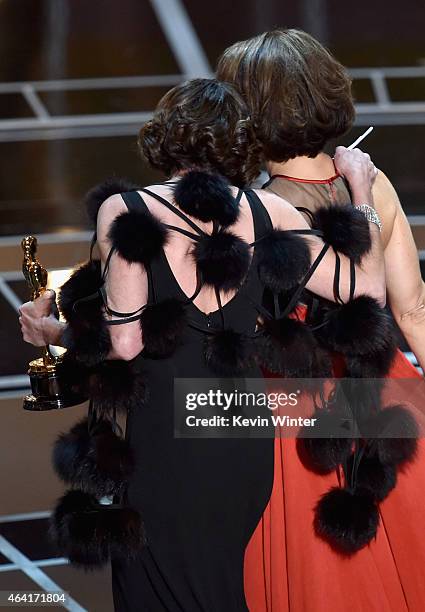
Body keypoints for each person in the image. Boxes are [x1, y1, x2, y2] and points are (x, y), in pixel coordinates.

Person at [20, 78, 384, 611]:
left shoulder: (128, 211)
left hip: (168, 444)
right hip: (242, 441)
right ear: (238, 143)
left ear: (165, 137)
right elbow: (367, 290)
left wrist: (52, 334)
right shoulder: (269, 212)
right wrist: (363, 193)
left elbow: (122, 343)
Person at [217, 30, 425, 612]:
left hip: (295, 423)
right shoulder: (373, 184)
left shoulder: (249, 209)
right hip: (387, 404)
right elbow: (414, 311)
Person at [217, 28, 425, 374]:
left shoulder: (258, 209)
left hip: (300, 404)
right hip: (383, 396)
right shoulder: (375, 181)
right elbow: (414, 310)